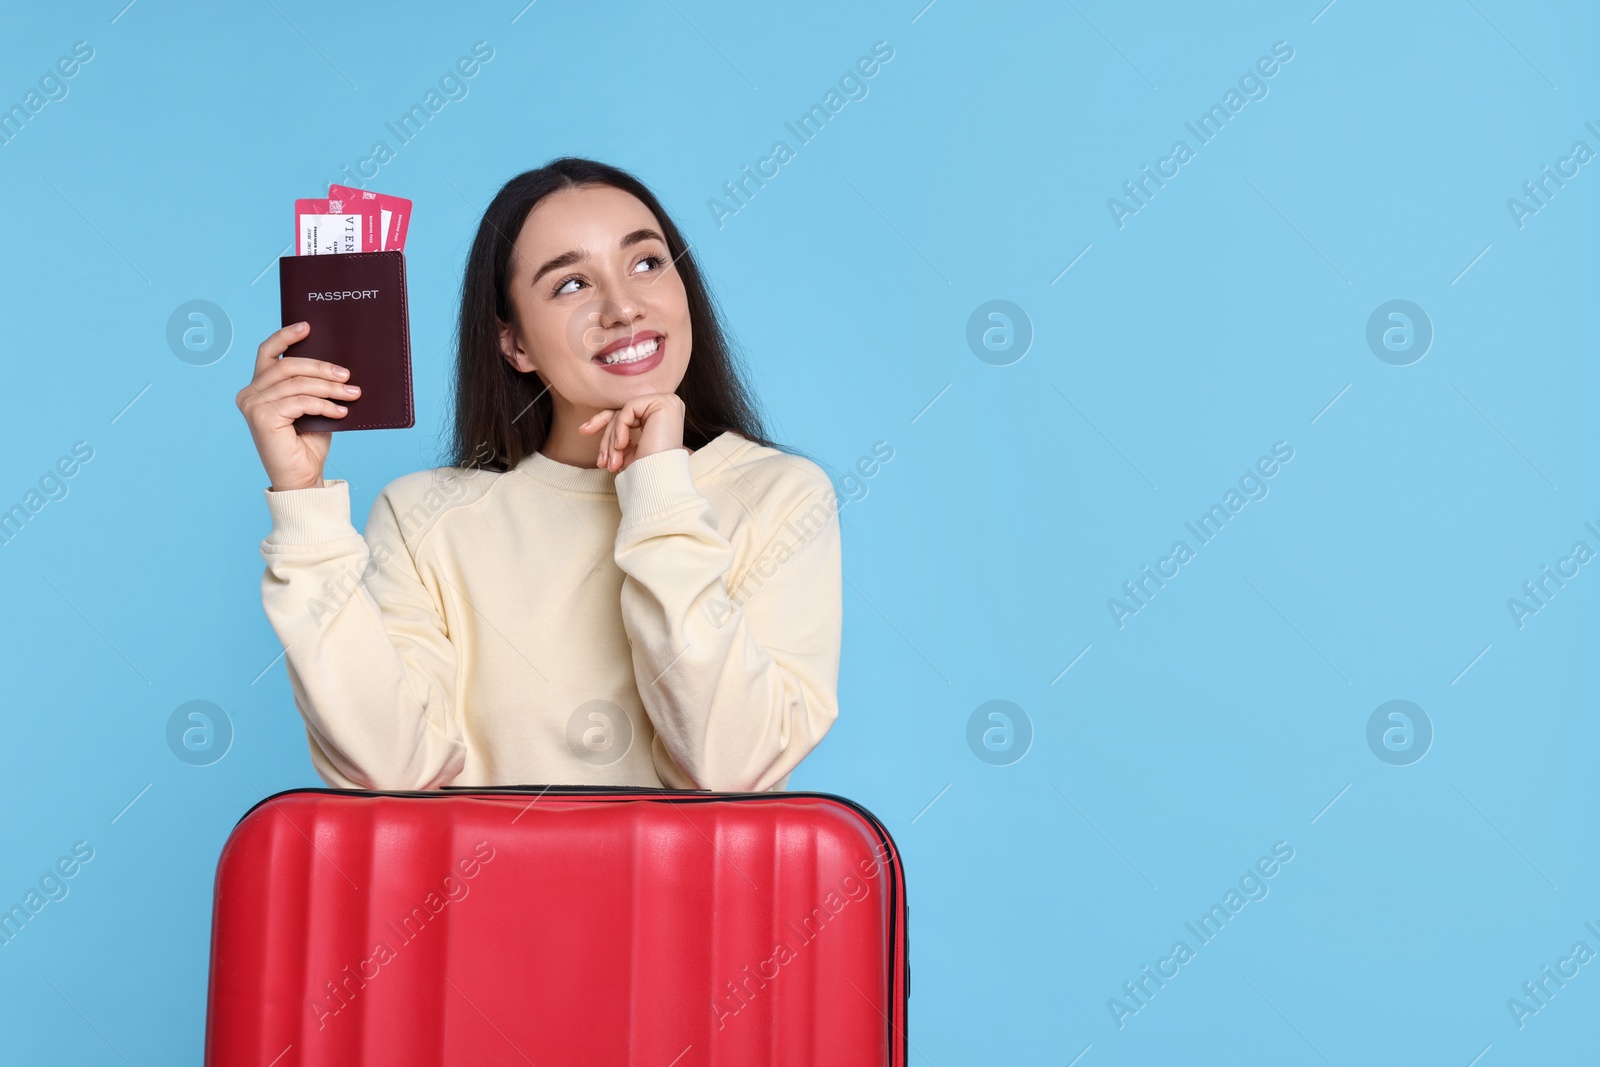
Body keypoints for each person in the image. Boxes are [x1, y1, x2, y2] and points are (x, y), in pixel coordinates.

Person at [236, 158, 843, 793]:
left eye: (646, 263)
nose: (624, 308)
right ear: (514, 343)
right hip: (480, 893)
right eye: (571, 285)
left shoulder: (780, 496)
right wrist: (303, 504)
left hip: (689, 896)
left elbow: (729, 767)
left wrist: (660, 487)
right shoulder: (425, 519)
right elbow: (390, 773)